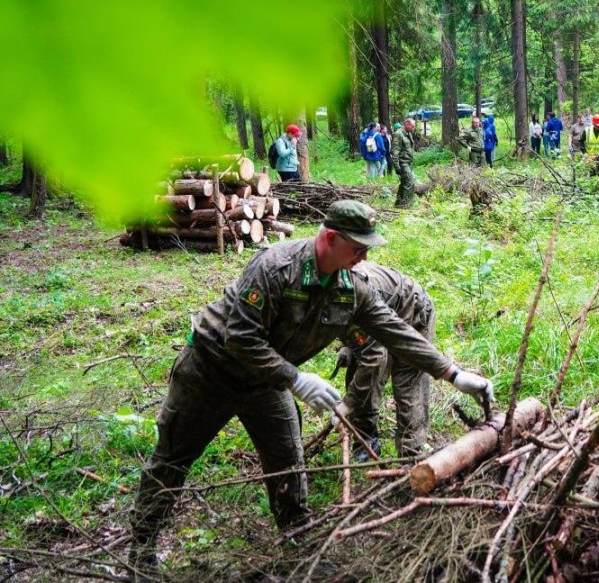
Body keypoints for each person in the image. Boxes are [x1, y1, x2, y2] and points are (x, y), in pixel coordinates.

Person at [128, 201, 494, 579]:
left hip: (266, 383)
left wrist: (453, 374)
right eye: (358, 248)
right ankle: (139, 553)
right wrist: (297, 379)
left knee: (287, 461)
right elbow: (239, 337)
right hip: (209, 372)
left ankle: (300, 550)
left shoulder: (350, 287)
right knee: (172, 460)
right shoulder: (275, 266)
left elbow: (394, 331)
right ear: (330, 238)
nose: (364, 256)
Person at [339, 262, 436, 460]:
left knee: (408, 381)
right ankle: (366, 442)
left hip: (412, 312)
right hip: (374, 320)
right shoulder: (323, 284)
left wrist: (347, 404)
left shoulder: (350, 292)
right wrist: (348, 344)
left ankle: (412, 453)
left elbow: (375, 358)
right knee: (360, 374)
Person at [393, 118, 417, 208]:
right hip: (402, 163)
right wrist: (397, 166)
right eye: (412, 126)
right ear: (407, 124)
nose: (413, 128)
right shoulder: (398, 134)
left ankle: (399, 203)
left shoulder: (408, 134)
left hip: (408, 162)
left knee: (404, 183)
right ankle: (406, 204)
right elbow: (395, 151)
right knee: (410, 182)